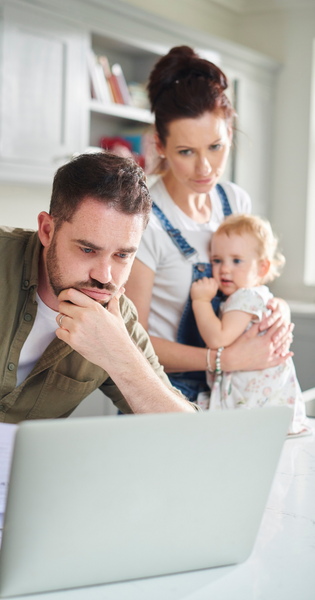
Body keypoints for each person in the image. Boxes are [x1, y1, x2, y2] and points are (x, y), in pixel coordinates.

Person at [0, 152, 197, 528]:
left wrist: (119, 356)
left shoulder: (118, 319)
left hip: (11, 519)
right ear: (47, 230)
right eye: (87, 249)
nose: (104, 275)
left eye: (123, 255)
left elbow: (193, 443)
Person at [125, 45, 293, 405]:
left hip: (237, 389)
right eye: (187, 152)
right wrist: (221, 358)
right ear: (161, 145)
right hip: (168, 391)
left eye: (215, 146)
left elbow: (252, 285)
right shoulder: (143, 219)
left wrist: (277, 310)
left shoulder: (235, 202)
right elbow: (130, 338)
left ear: (230, 134)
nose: (205, 168)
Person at [191, 214, 309, 435]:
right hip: (266, 395)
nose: (224, 269)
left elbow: (217, 338)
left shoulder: (244, 297)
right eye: (217, 260)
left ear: (262, 268)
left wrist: (201, 301)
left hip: (251, 397)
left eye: (236, 260)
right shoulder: (258, 295)